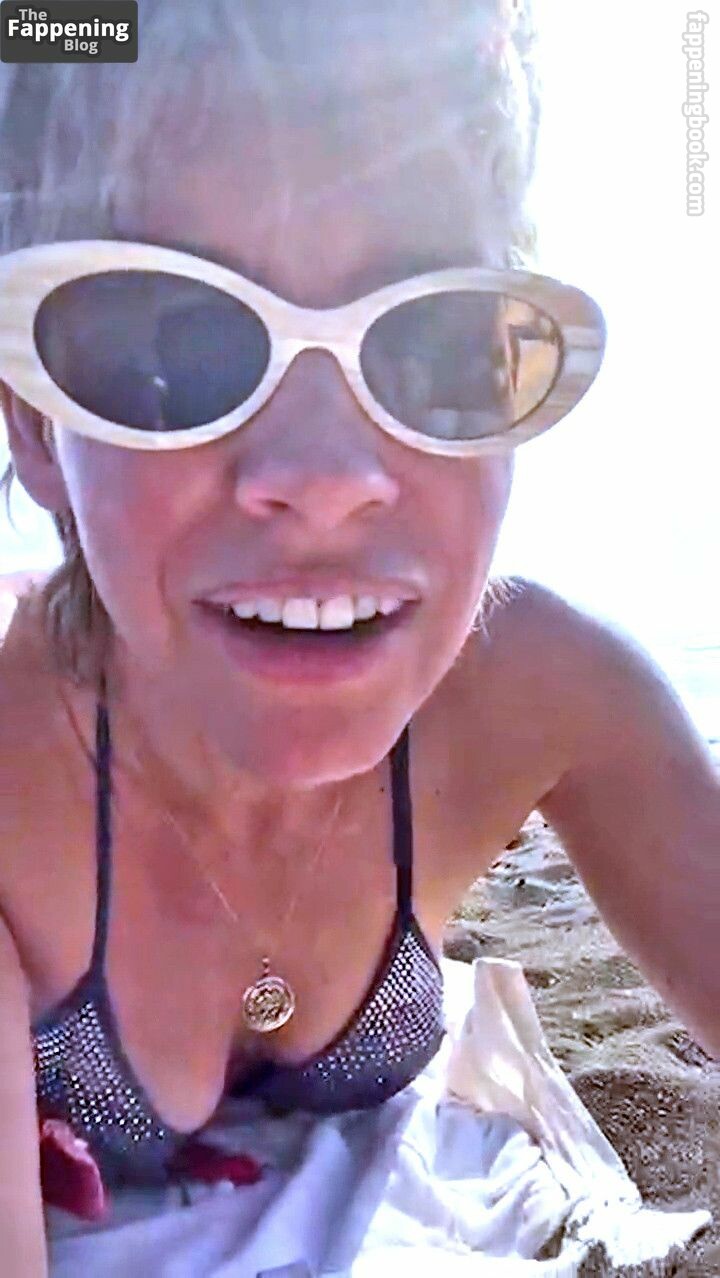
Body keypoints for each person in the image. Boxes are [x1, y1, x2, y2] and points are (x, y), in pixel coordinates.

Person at [0, 2, 717, 1273]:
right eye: (176, 341)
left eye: (438, 344)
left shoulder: (543, 698)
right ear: (36, 425)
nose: (327, 475)